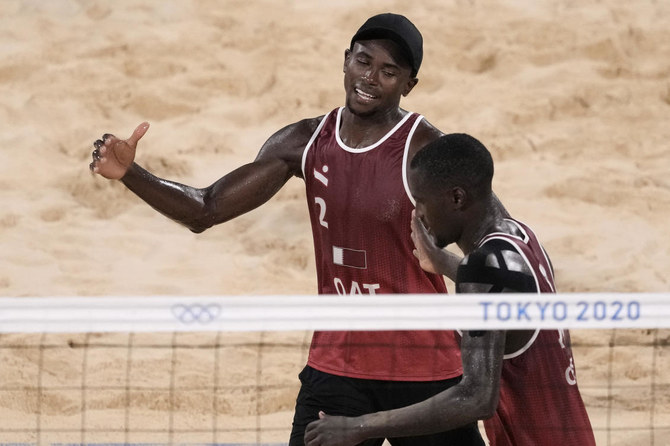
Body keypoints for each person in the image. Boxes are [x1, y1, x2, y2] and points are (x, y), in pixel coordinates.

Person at [89, 13, 484, 446]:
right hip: (338, 367)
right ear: (346, 60)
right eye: (363, 62)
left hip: (424, 367)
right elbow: (206, 209)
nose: (370, 78)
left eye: (388, 71)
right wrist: (131, 173)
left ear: (409, 84)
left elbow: (488, 244)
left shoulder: (425, 150)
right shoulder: (304, 142)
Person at [304, 133, 596, 446]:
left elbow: (476, 398)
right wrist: (443, 261)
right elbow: (504, 287)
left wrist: (358, 427)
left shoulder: (482, 272)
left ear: (456, 198)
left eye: (421, 201)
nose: (417, 213)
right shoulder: (521, 239)